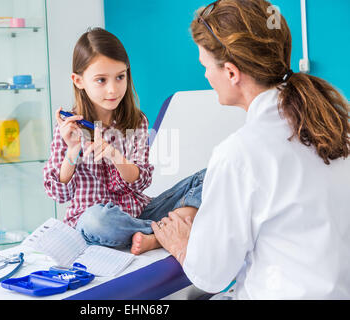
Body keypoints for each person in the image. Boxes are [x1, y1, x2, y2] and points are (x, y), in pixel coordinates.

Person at [152, 0, 350, 299]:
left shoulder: (240, 154)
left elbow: (210, 274)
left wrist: (182, 244)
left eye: (206, 66)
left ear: (231, 73)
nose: (206, 75)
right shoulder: (337, 126)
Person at [43, 28, 204, 253]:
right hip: (95, 220)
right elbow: (58, 194)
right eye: (101, 80)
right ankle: (165, 231)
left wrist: (113, 154)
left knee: (210, 177)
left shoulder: (136, 121)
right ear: (78, 81)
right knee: (97, 221)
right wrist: (72, 151)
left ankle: (153, 234)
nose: (113, 89)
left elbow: (140, 182)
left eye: (120, 77)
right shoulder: (69, 128)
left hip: (138, 212)